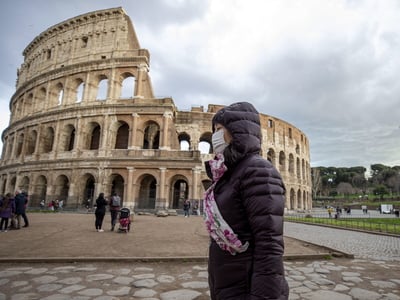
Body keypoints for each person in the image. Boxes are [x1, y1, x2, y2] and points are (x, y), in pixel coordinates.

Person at [203, 102, 289, 299]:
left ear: (237, 131)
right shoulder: (229, 173)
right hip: (230, 282)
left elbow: (269, 245)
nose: (214, 136)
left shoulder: (258, 171)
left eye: (218, 129)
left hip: (245, 285)